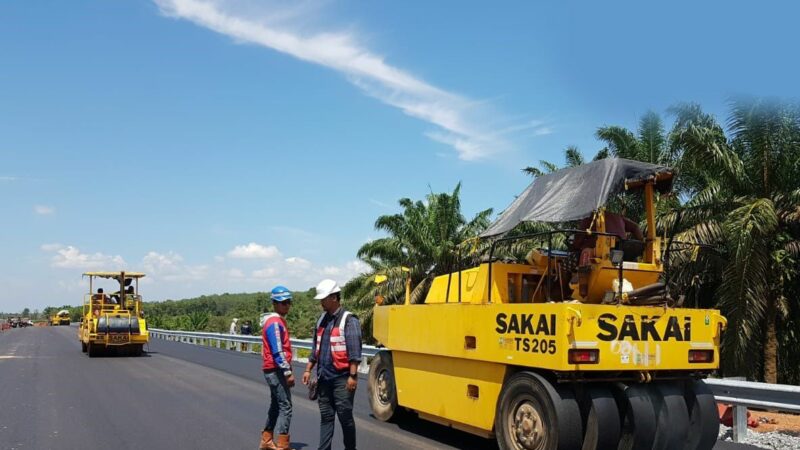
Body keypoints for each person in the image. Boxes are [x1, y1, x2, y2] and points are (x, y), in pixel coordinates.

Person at [302, 279, 362, 450]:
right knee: (326, 417)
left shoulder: (349, 320)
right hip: (324, 378)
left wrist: (353, 376)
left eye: (324, 298)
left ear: (334, 297)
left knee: (345, 417)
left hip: (342, 379)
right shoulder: (322, 319)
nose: (321, 302)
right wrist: (308, 369)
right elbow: (316, 348)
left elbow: (354, 351)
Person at [259, 286, 296, 450]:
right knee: (286, 406)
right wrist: (287, 372)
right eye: (282, 303)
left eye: (288, 302)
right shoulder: (274, 323)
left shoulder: (277, 321)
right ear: (274, 304)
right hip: (276, 370)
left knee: (276, 405)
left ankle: (266, 440)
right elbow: (277, 350)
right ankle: (282, 445)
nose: (286, 305)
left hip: (273, 369)